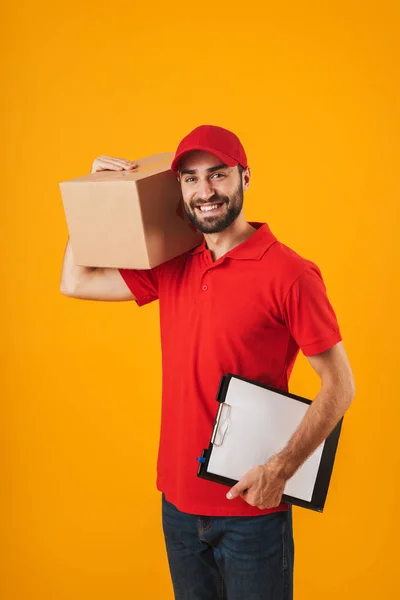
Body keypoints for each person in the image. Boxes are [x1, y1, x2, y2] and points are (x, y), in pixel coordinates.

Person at [60, 124, 355, 600]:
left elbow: (340, 386)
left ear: (245, 178)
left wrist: (279, 471)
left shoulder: (291, 274)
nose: (205, 191)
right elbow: (76, 280)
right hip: (176, 504)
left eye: (218, 175)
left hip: (251, 512)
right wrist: (94, 197)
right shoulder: (171, 264)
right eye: (191, 179)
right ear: (178, 189)